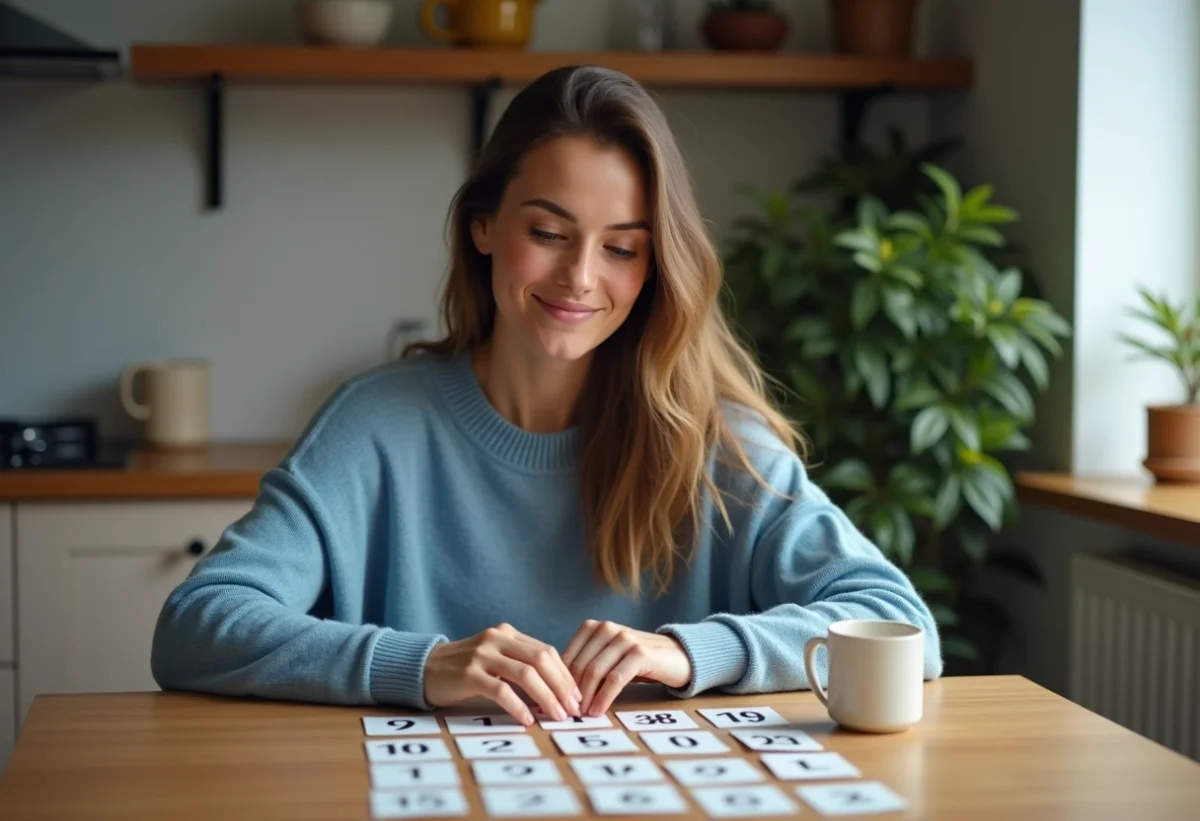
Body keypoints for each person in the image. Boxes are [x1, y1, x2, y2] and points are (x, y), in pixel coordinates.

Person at [151, 65, 942, 726]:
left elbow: (900, 622)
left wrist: (690, 651)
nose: (581, 278)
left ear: (656, 263)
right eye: (550, 233)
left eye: (623, 247)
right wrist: (420, 663)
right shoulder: (373, 423)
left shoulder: (716, 442)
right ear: (484, 226)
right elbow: (196, 626)